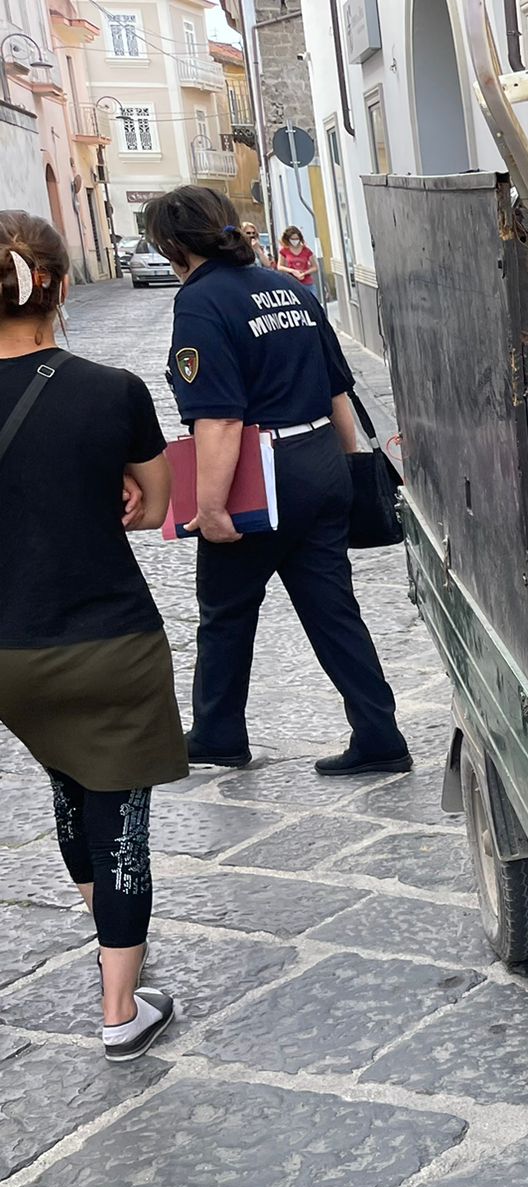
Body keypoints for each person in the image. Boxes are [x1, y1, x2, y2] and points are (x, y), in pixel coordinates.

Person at [146, 186, 411, 776]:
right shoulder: (287, 286)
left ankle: (218, 732)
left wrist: (210, 508)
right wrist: (348, 467)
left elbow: (219, 418)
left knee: (225, 609)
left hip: (258, 474)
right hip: (320, 459)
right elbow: (339, 388)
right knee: (333, 610)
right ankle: (380, 734)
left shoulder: (200, 303)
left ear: (170, 245)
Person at [0, 210, 182, 1060]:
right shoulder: (113, 391)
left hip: (10, 653)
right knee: (122, 816)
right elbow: (154, 505)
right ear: (62, 287)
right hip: (109, 641)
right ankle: (120, 1009)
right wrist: (114, 492)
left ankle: (106, 932)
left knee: (69, 779)